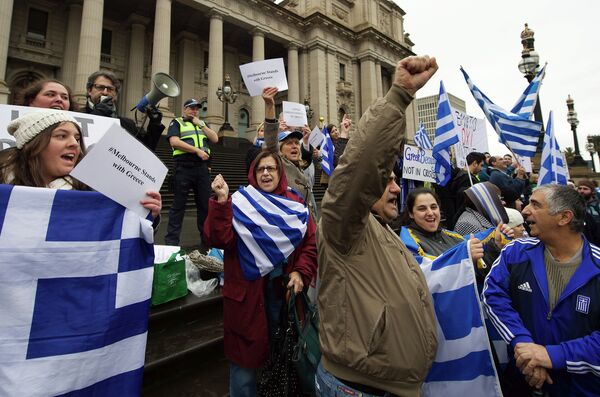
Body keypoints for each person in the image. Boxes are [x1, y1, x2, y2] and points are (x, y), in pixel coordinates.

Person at [316, 55, 439, 396]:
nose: (397, 188)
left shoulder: (383, 229)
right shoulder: (344, 227)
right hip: (361, 387)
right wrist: (398, 96)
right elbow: (361, 167)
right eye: (388, 180)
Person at [204, 150, 317, 397]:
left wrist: (300, 272)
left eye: (271, 168)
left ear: (280, 173)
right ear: (253, 174)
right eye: (260, 169)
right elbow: (217, 238)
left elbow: (310, 244)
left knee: (284, 363)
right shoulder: (238, 202)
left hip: (284, 297)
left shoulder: (295, 204)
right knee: (243, 372)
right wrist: (221, 203)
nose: (266, 173)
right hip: (247, 300)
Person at [483, 184, 600, 396]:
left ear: (564, 217)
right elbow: (494, 297)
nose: (525, 210)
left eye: (535, 205)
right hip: (522, 383)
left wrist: (552, 355)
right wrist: (524, 345)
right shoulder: (515, 253)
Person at [0, 110, 161, 217]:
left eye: (77, 139)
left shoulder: (93, 193)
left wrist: (148, 215)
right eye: (61, 136)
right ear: (32, 145)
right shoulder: (6, 194)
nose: (75, 144)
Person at [164, 98, 219, 246]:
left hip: (201, 169)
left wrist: (201, 124)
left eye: (196, 108)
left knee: (205, 206)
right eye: (191, 108)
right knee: (178, 206)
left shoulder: (202, 124)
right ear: (184, 109)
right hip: (183, 167)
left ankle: (206, 241)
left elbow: (214, 138)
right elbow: (174, 141)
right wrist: (197, 151)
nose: (194, 111)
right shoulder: (176, 122)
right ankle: (171, 243)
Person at [263, 89, 316, 219]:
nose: (294, 146)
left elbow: (308, 155)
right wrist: (270, 105)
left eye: (296, 143)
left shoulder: (300, 165)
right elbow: (270, 142)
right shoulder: (279, 162)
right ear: (280, 148)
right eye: (288, 143)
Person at [85, 70, 165, 150]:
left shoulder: (128, 124)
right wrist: (98, 114)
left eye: (110, 89)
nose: (105, 92)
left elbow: (143, 152)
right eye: (100, 87)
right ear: (89, 90)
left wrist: (155, 124)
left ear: (116, 94)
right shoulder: (75, 116)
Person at [577, 178, 600, 245]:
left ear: (592, 191)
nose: (581, 191)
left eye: (585, 189)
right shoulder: (574, 205)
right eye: (580, 188)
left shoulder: (598, 205)